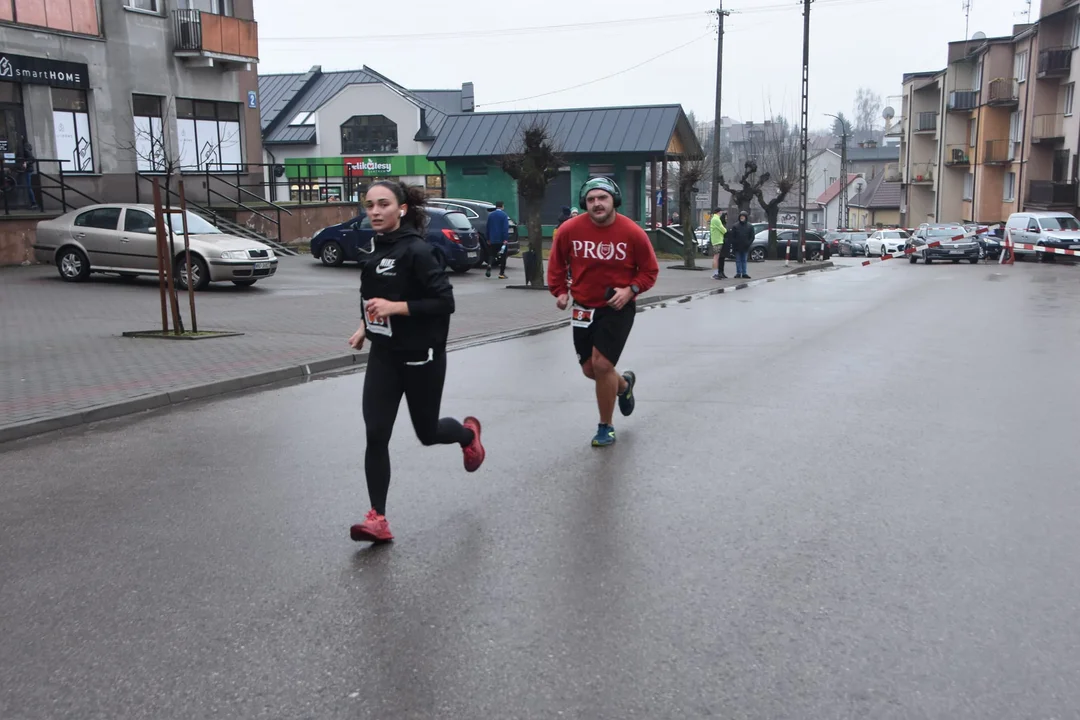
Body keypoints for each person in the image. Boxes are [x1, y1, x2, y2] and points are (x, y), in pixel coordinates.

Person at [347, 180, 486, 543]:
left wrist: (397, 308)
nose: (375, 211)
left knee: (426, 433)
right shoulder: (373, 251)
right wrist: (364, 326)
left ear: (402, 209)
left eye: (383, 204)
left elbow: (444, 303)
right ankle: (378, 517)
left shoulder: (420, 252)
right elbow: (371, 298)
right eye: (369, 205)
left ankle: (468, 434)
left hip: (421, 356)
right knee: (376, 433)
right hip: (384, 356)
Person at [547, 177, 659, 447]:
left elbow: (650, 271)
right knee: (590, 370)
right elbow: (556, 263)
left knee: (602, 365)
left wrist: (630, 290)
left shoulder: (632, 232)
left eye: (602, 198)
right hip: (583, 307)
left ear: (613, 201)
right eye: (591, 200)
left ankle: (605, 426)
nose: (597, 204)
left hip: (617, 306)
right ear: (584, 203)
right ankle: (623, 386)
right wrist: (560, 291)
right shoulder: (569, 230)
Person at [485, 200, 511, 279]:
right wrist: (505, 239)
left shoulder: (491, 215)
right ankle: (501, 273)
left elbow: (487, 227)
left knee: (492, 254)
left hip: (492, 239)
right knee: (503, 256)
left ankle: (489, 264)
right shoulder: (504, 215)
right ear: (502, 206)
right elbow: (505, 228)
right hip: (501, 239)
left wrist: (488, 238)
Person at [728, 209, 755, 279]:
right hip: (737, 246)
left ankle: (744, 273)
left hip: (745, 246)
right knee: (738, 260)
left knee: (744, 260)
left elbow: (752, 236)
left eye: (743, 217)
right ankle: (738, 272)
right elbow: (732, 236)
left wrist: (748, 243)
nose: (742, 218)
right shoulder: (735, 226)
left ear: (746, 217)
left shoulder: (750, 226)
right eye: (741, 217)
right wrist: (734, 243)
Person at [710, 210, 728, 280]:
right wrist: (725, 230)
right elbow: (723, 230)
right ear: (718, 212)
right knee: (716, 258)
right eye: (720, 212)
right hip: (717, 240)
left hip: (716, 240)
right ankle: (715, 273)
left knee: (716, 257)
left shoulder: (714, 219)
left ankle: (715, 273)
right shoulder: (716, 219)